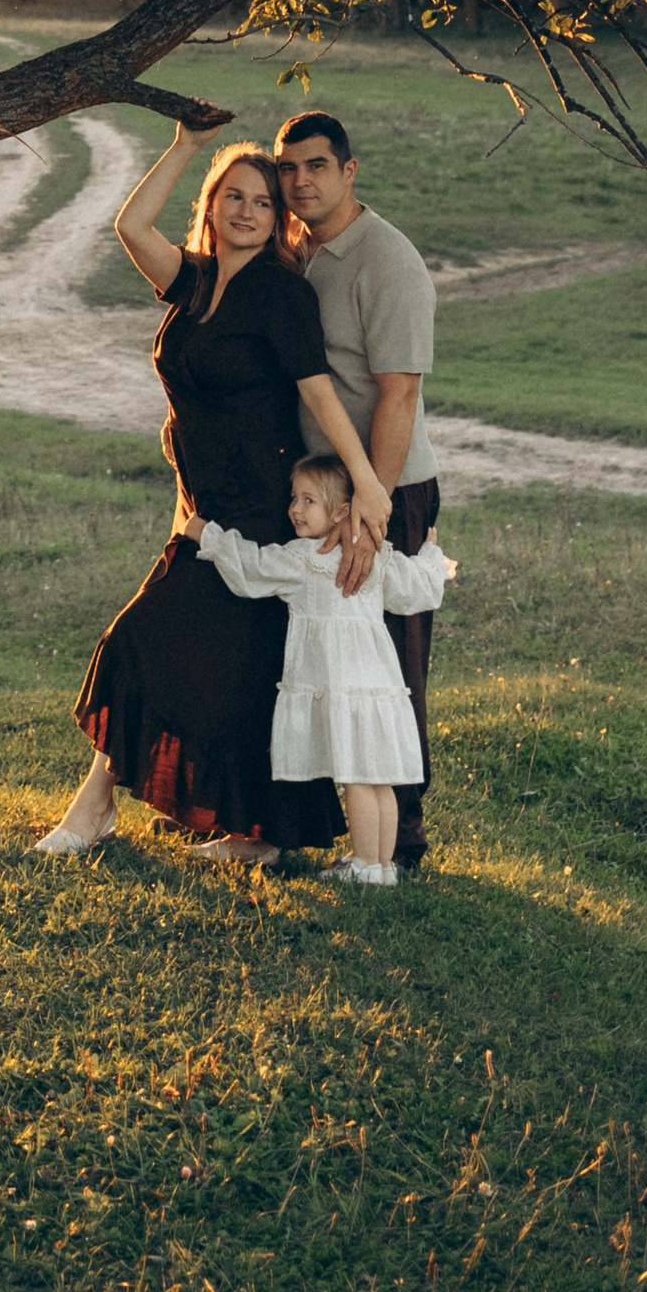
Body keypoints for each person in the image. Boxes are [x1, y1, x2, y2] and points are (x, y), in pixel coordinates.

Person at [35, 123, 393, 867]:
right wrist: (184, 143)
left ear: (277, 220)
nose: (247, 211)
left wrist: (366, 483)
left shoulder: (279, 294)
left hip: (261, 510)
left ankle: (96, 811)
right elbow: (130, 224)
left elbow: (319, 396)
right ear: (212, 204)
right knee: (241, 674)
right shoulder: (195, 281)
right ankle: (252, 833)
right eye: (234, 196)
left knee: (145, 642)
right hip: (201, 509)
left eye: (263, 203)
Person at [274, 107, 442, 869]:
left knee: (390, 667)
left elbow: (397, 393)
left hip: (387, 490)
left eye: (317, 165)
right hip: (332, 493)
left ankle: (401, 843)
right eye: (290, 168)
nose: (301, 181)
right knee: (334, 663)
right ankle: (347, 828)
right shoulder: (306, 253)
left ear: (349, 170)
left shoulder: (387, 258)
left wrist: (368, 510)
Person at [187, 454, 455, 887]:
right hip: (377, 681)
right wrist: (430, 552)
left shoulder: (304, 559)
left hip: (338, 683)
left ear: (342, 512)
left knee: (356, 775)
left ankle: (366, 865)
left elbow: (250, 570)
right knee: (378, 776)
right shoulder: (376, 557)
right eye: (294, 498)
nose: (294, 509)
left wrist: (207, 535)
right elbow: (417, 590)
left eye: (308, 500)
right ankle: (381, 865)